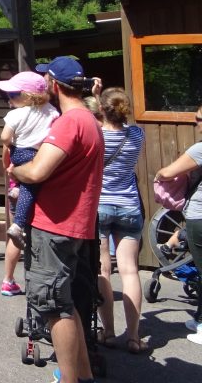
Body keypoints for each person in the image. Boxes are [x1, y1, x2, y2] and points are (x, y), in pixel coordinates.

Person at [10, 56, 104, 383]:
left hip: (55, 225)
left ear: (53, 83)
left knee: (53, 306)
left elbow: (37, 171)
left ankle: (69, 379)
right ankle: (84, 374)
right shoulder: (89, 119)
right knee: (66, 302)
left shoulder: (69, 122)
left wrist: (15, 171)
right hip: (76, 223)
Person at [94, 87, 147, 353]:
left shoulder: (96, 136)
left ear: (102, 109)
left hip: (100, 206)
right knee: (130, 270)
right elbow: (114, 118)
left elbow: (95, 120)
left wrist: (95, 96)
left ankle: (110, 332)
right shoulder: (137, 135)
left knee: (104, 270)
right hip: (129, 206)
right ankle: (134, 337)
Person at [0, 70, 59, 289]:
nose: (9, 99)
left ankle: (8, 278)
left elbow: (4, 140)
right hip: (40, 154)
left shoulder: (15, 116)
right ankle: (19, 220)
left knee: (26, 188)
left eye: (13, 94)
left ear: (27, 96)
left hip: (19, 153)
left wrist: (12, 145)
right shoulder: (51, 112)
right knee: (33, 184)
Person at [154, 102, 202, 344]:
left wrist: (162, 173)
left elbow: (167, 172)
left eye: (200, 119)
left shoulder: (199, 149)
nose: (197, 123)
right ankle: (200, 318)